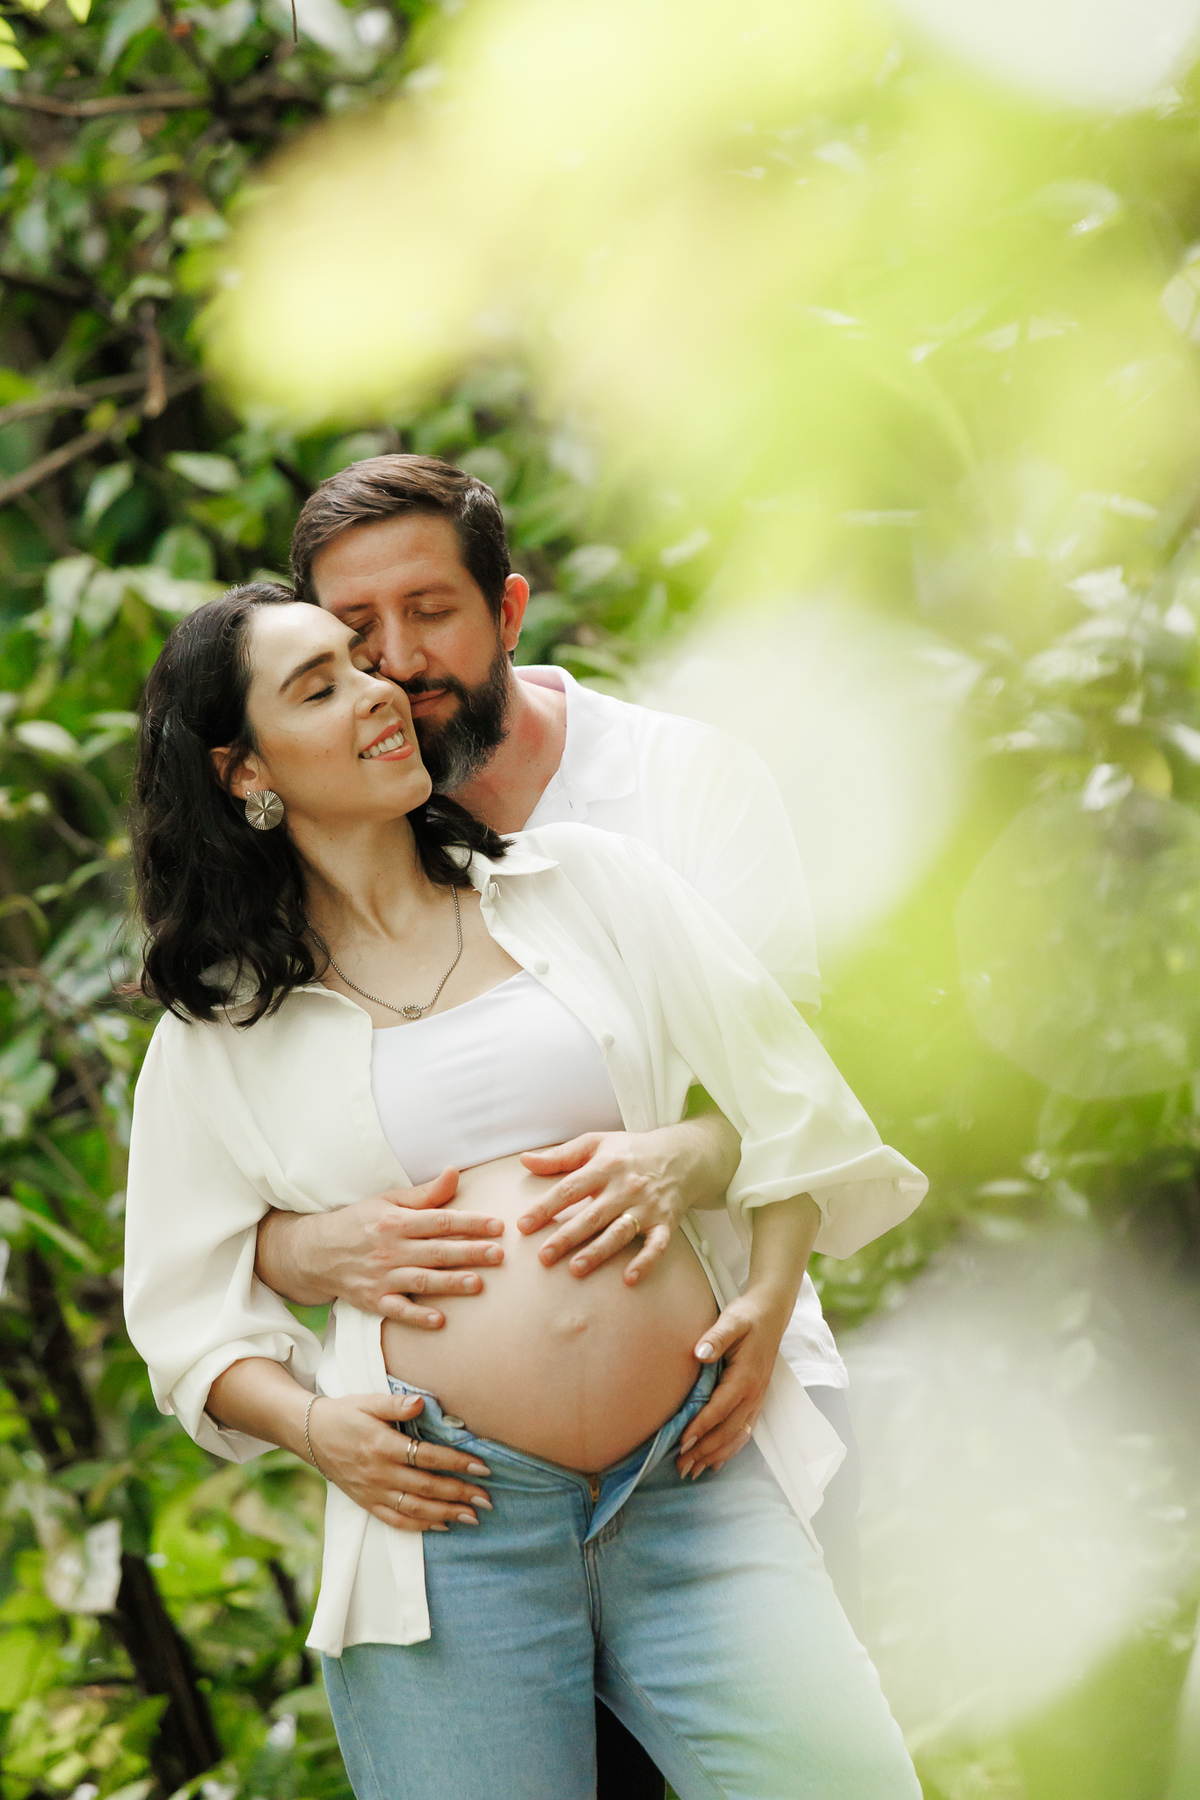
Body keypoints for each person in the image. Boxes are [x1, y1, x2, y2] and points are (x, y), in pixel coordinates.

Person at [123, 585, 926, 1799]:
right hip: (450, 1526)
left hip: (692, 1481)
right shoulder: (221, 1033)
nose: (378, 691)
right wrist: (316, 1429)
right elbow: (183, 1319)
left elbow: (785, 1095)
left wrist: (767, 1299)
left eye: (363, 664)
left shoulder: (591, 887)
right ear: (245, 773)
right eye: (320, 685)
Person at [259, 455, 864, 1796]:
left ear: (511, 612)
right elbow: (235, 1202)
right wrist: (319, 1256)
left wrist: (689, 1169)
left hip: (729, 1402)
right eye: (354, 638)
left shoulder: (677, 787)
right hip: (465, 1494)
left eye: (433, 614)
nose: (399, 662)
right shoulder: (321, 857)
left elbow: (791, 1080)